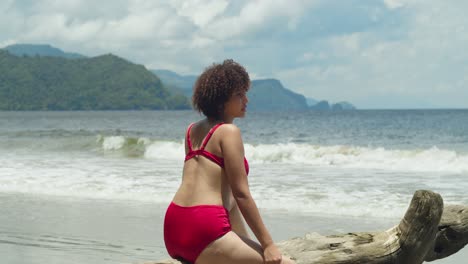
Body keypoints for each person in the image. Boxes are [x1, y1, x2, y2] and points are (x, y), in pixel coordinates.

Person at [163, 59, 294, 264]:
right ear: (221, 100)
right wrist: (268, 245)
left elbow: (229, 201)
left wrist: (248, 244)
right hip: (204, 228)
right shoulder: (229, 131)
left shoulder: (191, 130)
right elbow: (241, 194)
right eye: (239, 95)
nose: (246, 101)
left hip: (174, 227)